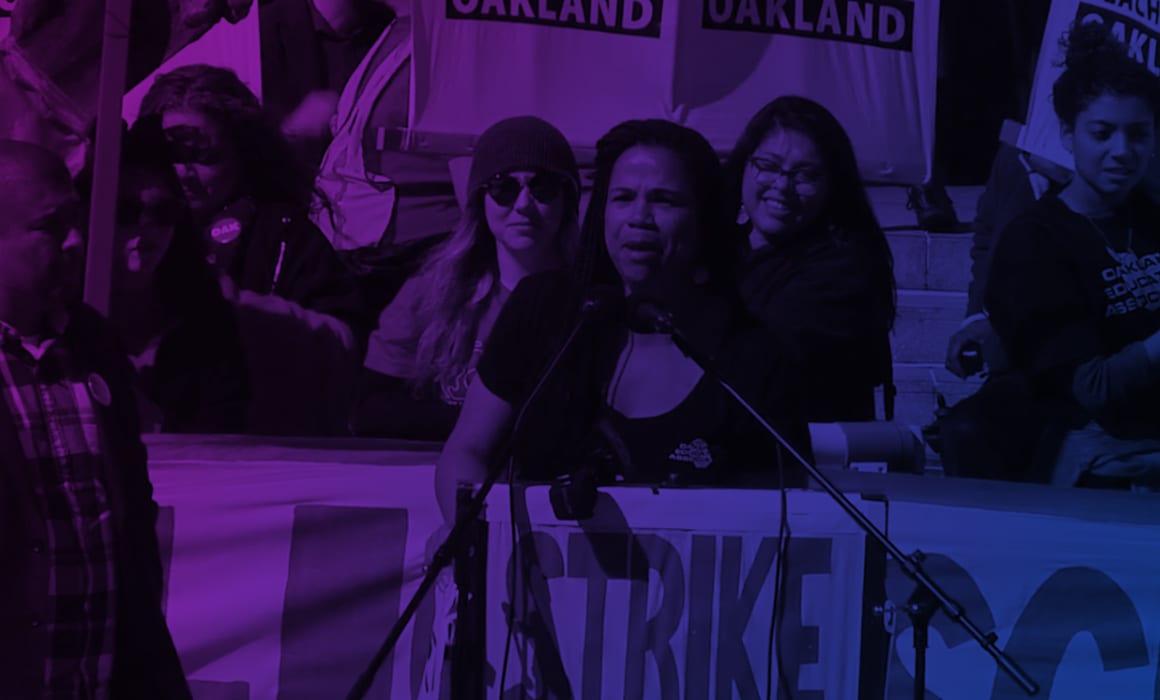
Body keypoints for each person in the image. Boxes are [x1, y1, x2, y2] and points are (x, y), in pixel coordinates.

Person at [434, 119, 812, 522]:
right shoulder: (541, 308)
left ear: (704, 219)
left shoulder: (754, 358)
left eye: (664, 200)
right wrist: (476, 533)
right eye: (623, 197)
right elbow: (466, 450)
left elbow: (785, 512)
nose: (639, 217)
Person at [0, 140, 190, 697]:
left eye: (75, 220)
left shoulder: (94, 343)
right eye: (50, 225)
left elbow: (133, 516)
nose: (77, 240)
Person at [136, 64, 371, 436]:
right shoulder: (124, 231)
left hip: (259, 441)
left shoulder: (285, 235)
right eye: (172, 157)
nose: (184, 172)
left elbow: (344, 345)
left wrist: (242, 313)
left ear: (243, 155)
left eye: (204, 157)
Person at [985, 20, 1160, 490]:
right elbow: (1093, 390)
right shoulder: (1035, 242)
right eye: (1102, 133)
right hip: (1098, 472)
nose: (1122, 151)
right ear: (1067, 134)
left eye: (1139, 135)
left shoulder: (1150, 218)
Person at [352, 116, 580, 440]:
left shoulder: (590, 299)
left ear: (567, 200)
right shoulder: (432, 291)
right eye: (504, 187)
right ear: (480, 201)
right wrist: (482, 431)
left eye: (542, 187)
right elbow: (370, 410)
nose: (523, 205)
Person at [727, 95, 897, 423]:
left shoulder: (846, 272)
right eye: (768, 166)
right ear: (745, 164)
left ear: (832, 186)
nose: (782, 186)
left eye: (805, 175)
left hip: (792, 454)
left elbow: (756, 360)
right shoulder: (721, 243)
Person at [95, 128, 250, 434]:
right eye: (125, 211)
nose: (146, 227)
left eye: (162, 212)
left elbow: (222, 429)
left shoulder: (206, 320)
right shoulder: (59, 320)